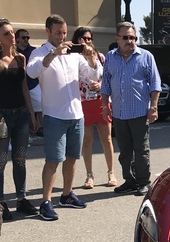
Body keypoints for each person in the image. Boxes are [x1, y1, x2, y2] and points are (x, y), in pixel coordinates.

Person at [27, 14, 100, 221]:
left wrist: (90, 57)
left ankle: (66, 195)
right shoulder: (39, 53)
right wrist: (54, 53)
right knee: (53, 160)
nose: (63, 36)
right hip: (54, 116)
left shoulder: (74, 54)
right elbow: (32, 72)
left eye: (65, 32)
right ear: (48, 31)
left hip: (76, 114)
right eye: (58, 32)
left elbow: (93, 75)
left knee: (72, 158)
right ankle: (46, 202)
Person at [101, 21, 161, 197]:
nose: (130, 41)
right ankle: (130, 180)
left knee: (141, 149)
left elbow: (155, 84)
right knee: (125, 150)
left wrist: (154, 107)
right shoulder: (111, 57)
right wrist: (105, 106)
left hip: (139, 112)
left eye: (133, 37)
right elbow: (105, 84)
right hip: (119, 112)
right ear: (117, 38)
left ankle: (144, 182)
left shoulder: (146, 56)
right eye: (126, 37)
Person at [0, 18, 39, 221]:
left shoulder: (21, 58)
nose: (12, 36)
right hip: (2, 117)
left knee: (20, 160)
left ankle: (21, 199)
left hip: (21, 115)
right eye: (6, 33)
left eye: (12, 32)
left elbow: (24, 87)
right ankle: (1, 203)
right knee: (1, 162)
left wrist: (32, 114)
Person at [71, 27, 117, 190]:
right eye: (83, 38)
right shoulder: (73, 58)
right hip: (83, 103)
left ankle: (111, 172)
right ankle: (89, 175)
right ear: (77, 40)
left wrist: (101, 85)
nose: (86, 41)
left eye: (89, 38)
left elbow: (107, 77)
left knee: (107, 138)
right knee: (87, 140)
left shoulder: (100, 57)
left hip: (100, 101)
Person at [15, 28, 42, 138]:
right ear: (17, 39)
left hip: (33, 83)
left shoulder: (33, 51)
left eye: (28, 37)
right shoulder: (14, 51)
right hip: (18, 85)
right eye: (23, 37)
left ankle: (39, 127)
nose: (26, 39)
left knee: (40, 103)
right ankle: (27, 129)